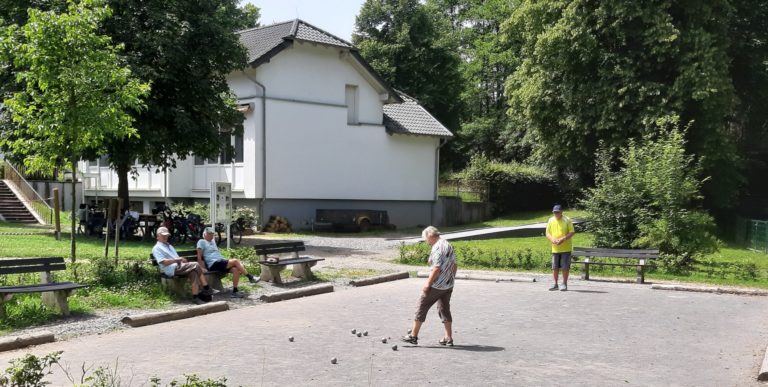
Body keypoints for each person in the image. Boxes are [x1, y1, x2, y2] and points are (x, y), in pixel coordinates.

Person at [402, 226, 457, 346]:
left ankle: (413, 336)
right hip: (448, 285)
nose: (426, 241)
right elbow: (454, 265)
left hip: (436, 285)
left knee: (422, 306)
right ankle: (448, 338)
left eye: (426, 239)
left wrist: (428, 284)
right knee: (444, 309)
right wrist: (451, 279)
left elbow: (437, 268)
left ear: (430, 236)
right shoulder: (447, 244)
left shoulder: (437, 247)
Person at [152, 226, 214, 304]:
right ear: (158, 236)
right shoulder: (157, 248)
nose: (165, 237)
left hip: (179, 266)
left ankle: (195, 297)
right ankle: (206, 287)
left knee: (194, 272)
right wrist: (177, 260)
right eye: (163, 235)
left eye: (166, 235)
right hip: (170, 268)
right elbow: (163, 262)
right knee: (196, 264)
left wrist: (182, 260)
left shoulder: (169, 246)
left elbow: (177, 258)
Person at [196, 227, 259, 298]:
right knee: (235, 261)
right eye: (209, 234)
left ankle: (235, 291)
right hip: (213, 264)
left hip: (220, 262)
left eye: (212, 234)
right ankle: (250, 277)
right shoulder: (201, 242)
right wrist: (202, 268)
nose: (211, 236)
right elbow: (199, 257)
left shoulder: (213, 241)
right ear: (204, 234)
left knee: (236, 270)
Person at [546, 204, 576, 291]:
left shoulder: (567, 219)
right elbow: (547, 233)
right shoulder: (551, 220)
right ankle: (555, 284)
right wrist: (552, 239)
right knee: (554, 267)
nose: (556, 214)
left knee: (565, 267)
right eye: (554, 212)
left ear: (561, 212)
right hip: (555, 248)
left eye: (557, 212)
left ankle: (564, 284)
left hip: (566, 248)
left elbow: (572, 232)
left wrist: (563, 239)